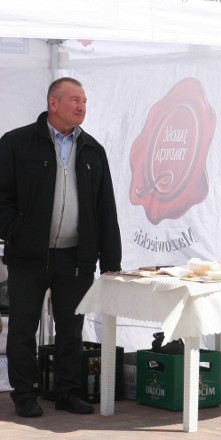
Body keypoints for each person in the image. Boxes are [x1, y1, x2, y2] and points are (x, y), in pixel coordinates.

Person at [0, 77, 122, 418]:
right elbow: (1, 197)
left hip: (77, 258)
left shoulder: (93, 149)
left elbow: (105, 208)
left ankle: (68, 392)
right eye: (74, 100)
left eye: (84, 100)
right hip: (28, 256)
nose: (82, 106)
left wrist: (111, 259)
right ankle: (24, 395)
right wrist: (16, 233)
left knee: (72, 329)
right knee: (23, 328)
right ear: (53, 103)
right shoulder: (16, 143)